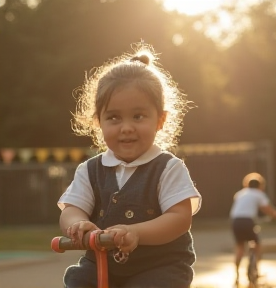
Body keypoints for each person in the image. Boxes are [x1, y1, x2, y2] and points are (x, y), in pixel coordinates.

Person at [58, 42, 202, 288]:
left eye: (138, 116)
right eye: (114, 117)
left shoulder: (167, 168)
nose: (126, 127)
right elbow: (71, 208)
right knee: (79, 279)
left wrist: (137, 233)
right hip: (102, 263)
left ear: (160, 120)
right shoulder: (90, 170)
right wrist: (77, 225)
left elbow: (180, 217)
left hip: (160, 267)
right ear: (98, 122)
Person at [229, 172, 276, 284]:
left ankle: (236, 274)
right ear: (260, 185)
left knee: (240, 247)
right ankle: (255, 269)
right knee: (257, 244)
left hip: (235, 221)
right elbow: (266, 208)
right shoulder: (258, 193)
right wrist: (274, 215)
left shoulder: (240, 193)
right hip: (247, 221)